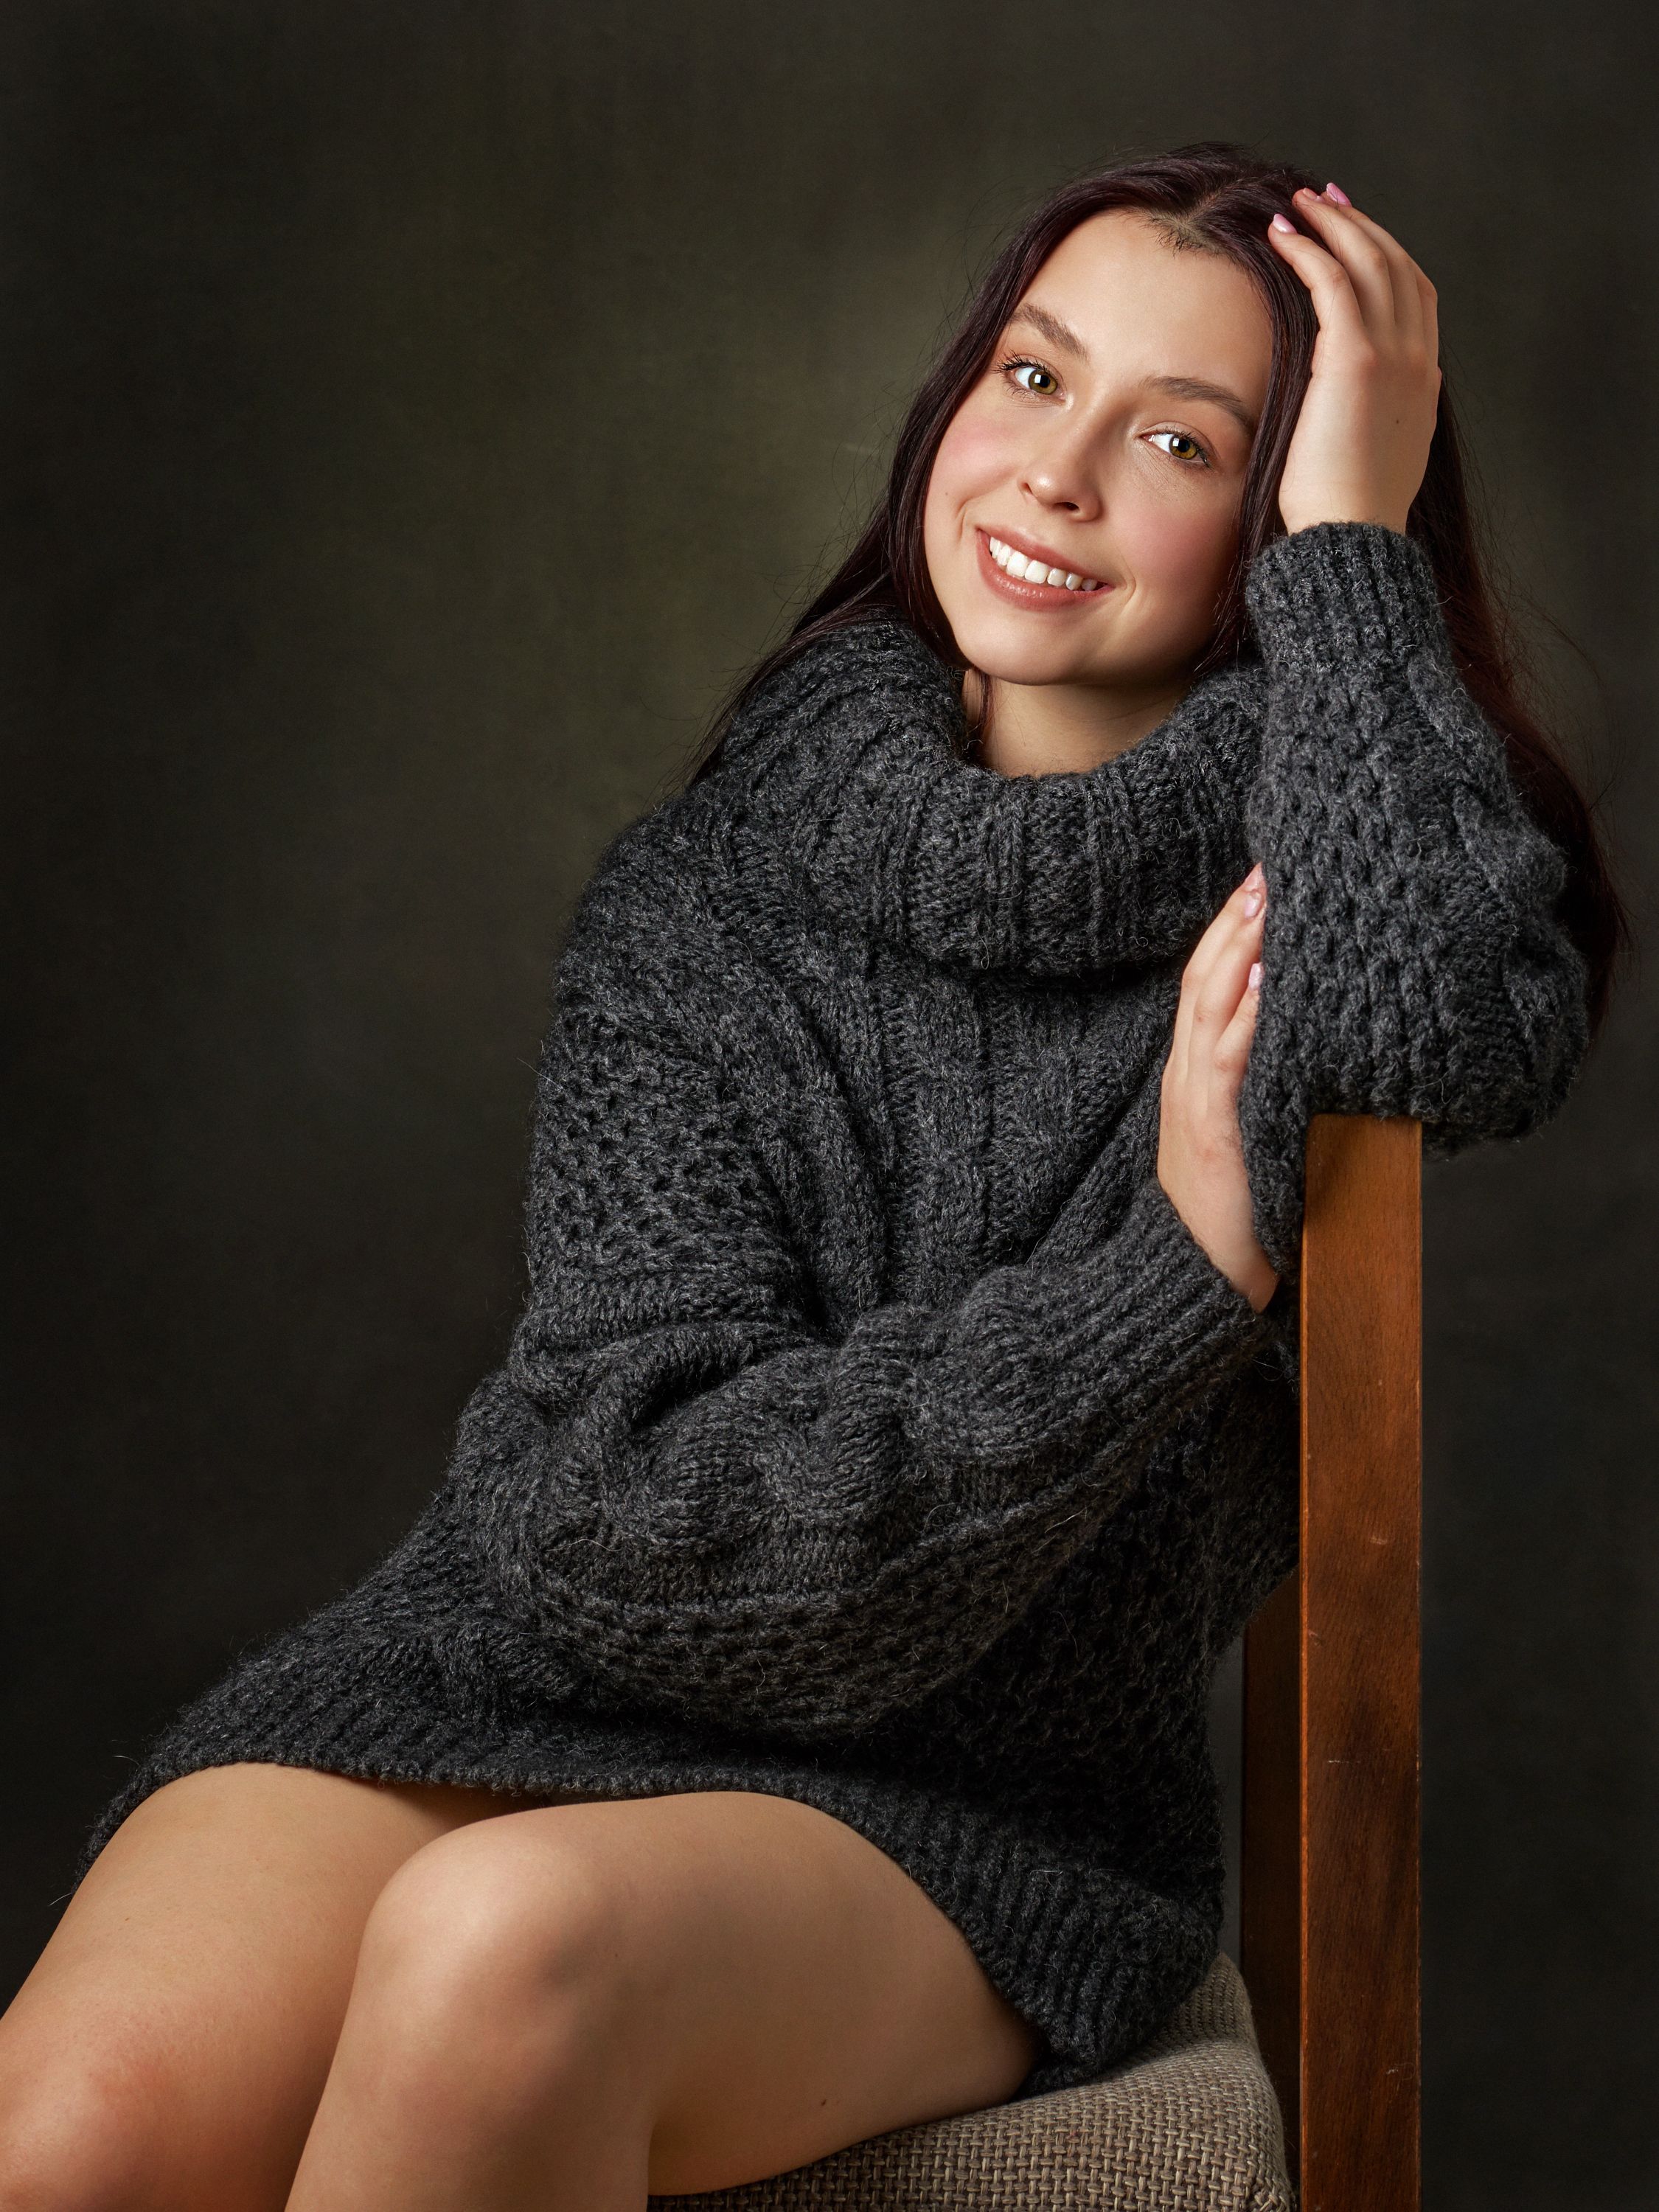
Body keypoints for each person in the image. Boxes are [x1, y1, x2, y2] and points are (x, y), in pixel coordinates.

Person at [0, 140, 1627, 2212]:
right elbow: (619, 1523)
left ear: (1277, 514)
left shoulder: (1295, 907)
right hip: (527, 1674)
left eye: (1183, 440)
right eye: (1031, 377)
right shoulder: (704, 892)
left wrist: (1354, 552)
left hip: (974, 1817)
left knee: (503, 1946)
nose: (1056, 474)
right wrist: (1169, 1273)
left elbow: (1457, 1028)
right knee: (64, 2139)